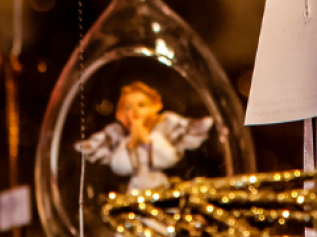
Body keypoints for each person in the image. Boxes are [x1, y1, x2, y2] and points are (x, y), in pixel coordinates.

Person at [75, 81, 213, 191]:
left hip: (159, 186)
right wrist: (131, 144)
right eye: (128, 107)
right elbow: (119, 167)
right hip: (136, 188)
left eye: (141, 105)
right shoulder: (123, 139)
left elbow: (169, 158)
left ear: (155, 106)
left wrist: (147, 140)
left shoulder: (160, 134)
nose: (134, 111)